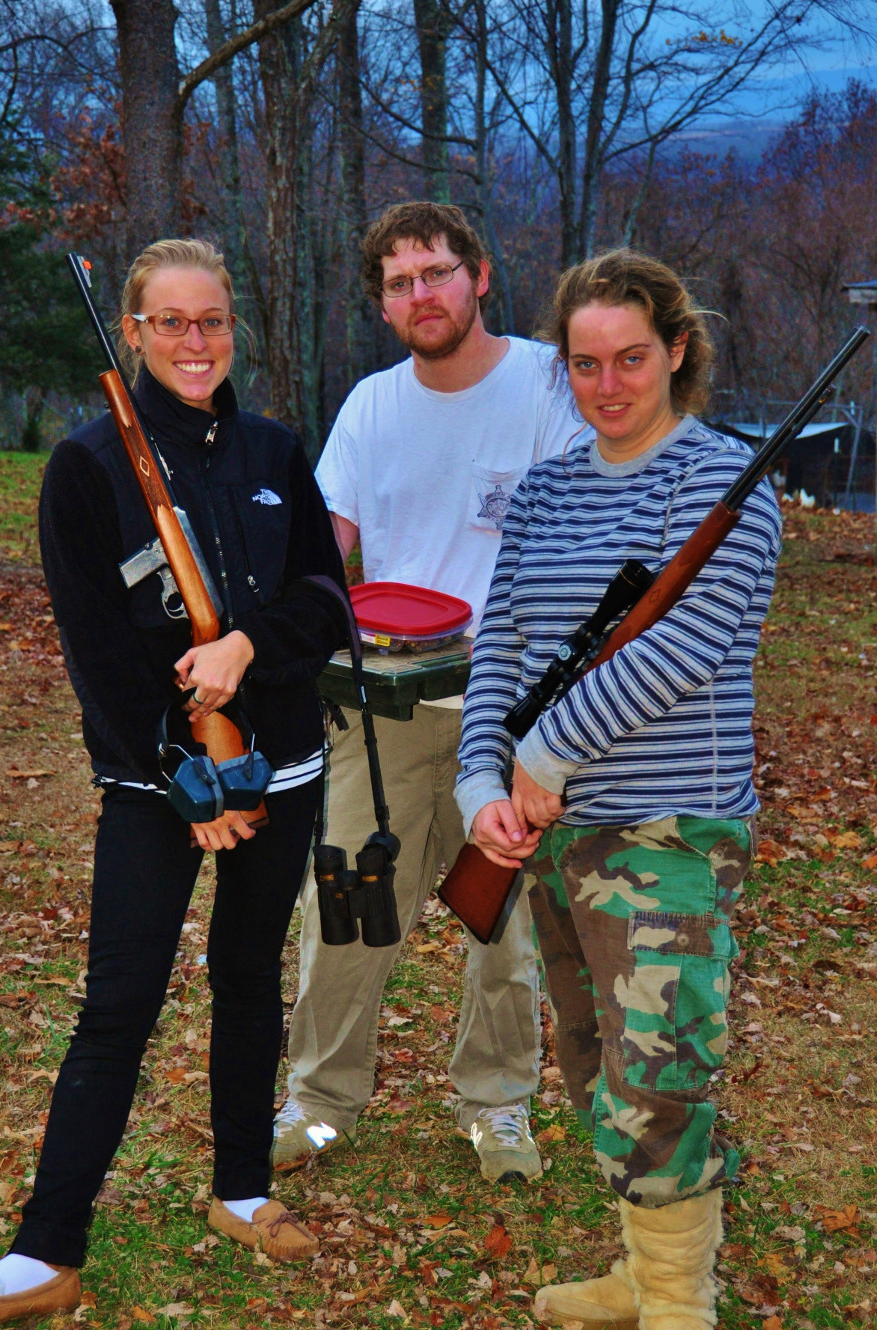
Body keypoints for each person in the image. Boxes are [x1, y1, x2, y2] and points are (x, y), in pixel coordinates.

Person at [0, 238, 347, 1330]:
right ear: (138, 330)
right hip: (159, 788)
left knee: (249, 976)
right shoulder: (89, 466)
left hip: (285, 765)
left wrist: (247, 646)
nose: (195, 342)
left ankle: (241, 1187)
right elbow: (100, 658)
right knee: (117, 1008)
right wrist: (188, 775)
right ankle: (45, 1248)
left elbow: (328, 602)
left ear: (231, 329)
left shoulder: (275, 448)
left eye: (213, 321)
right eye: (171, 322)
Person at [455, 249, 780, 1330]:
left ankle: (681, 1300)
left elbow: (685, 651)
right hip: (553, 834)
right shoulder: (542, 492)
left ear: (677, 350)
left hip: (672, 832)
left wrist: (546, 755)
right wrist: (480, 785)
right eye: (584, 363)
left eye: (631, 358)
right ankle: (638, 1271)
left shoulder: (728, 484)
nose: (607, 383)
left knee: (661, 1066)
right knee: (593, 1056)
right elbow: (499, 651)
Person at [273, 201, 587, 1185]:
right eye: (401, 281)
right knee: (346, 907)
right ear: (382, 301)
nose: (422, 294)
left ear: (479, 275)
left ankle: (497, 1105)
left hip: (513, 714)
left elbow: (589, 527)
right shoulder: (371, 406)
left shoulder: (546, 384)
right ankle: (318, 1102)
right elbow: (328, 541)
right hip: (386, 709)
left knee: (499, 923)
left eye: (437, 272)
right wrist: (289, 632)